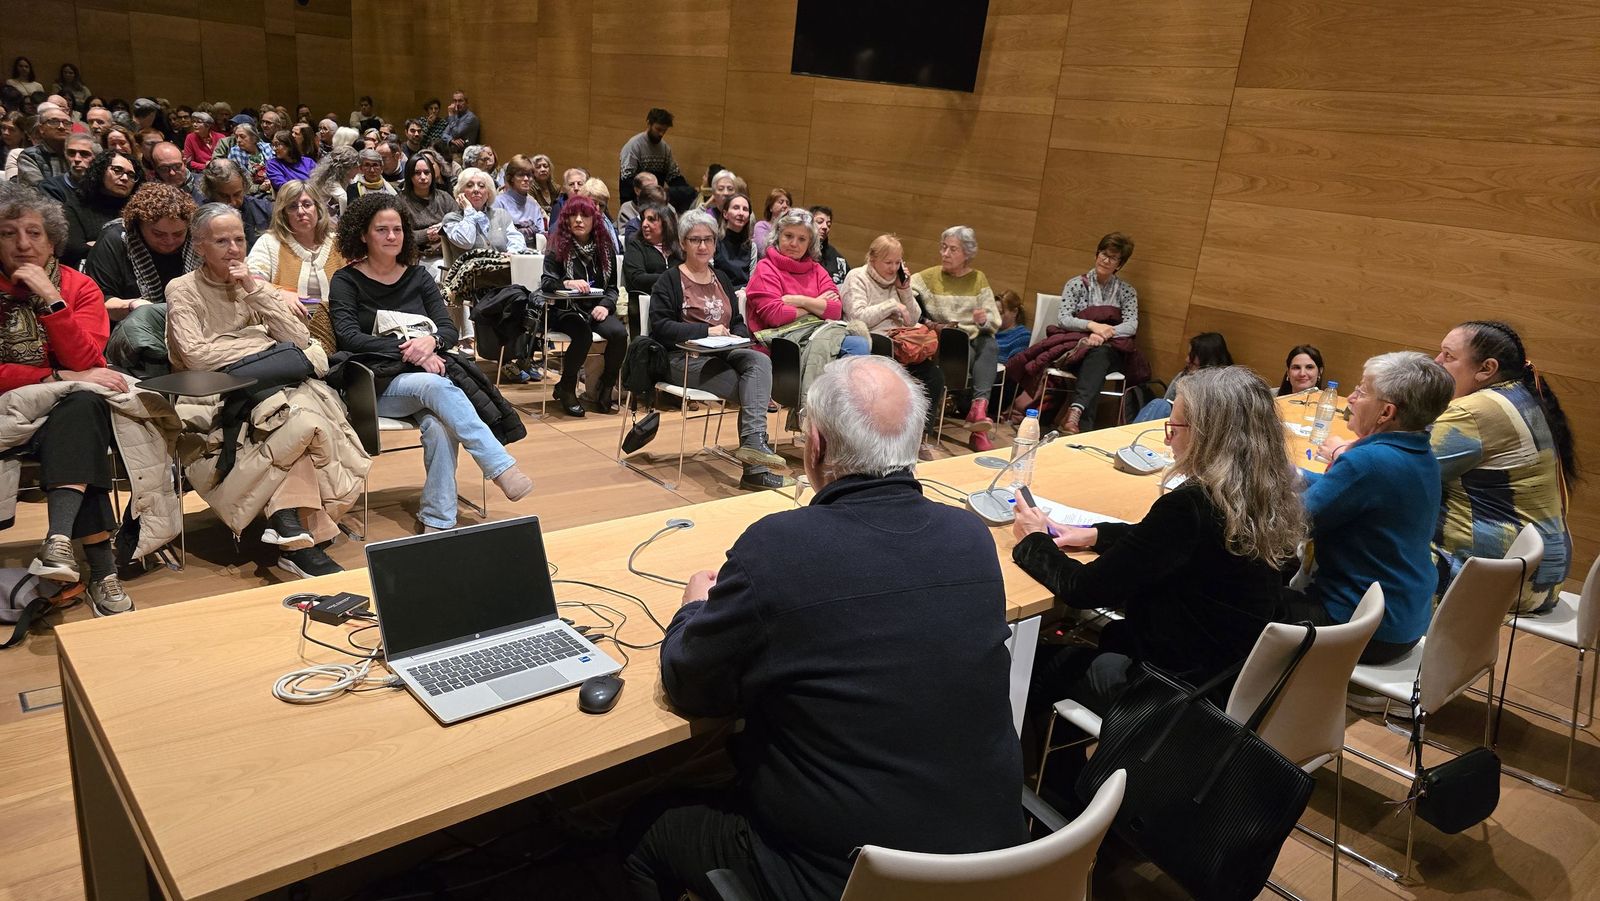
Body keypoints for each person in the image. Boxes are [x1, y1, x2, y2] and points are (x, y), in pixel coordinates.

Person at [623, 355, 1025, 901]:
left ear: (814, 445)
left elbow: (690, 685)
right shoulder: (971, 536)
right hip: (994, 866)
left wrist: (693, 607)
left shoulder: (779, 548)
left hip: (840, 879)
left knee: (643, 829)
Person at [1013, 366, 1305, 716]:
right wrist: (1095, 534)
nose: (1168, 439)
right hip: (1225, 678)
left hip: (1171, 694)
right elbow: (1164, 546)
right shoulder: (1265, 493)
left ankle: (1065, 771)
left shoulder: (1191, 505)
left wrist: (1033, 540)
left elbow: (1083, 589)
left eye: (1175, 426)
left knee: (1025, 662)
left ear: (1207, 435)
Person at [165, 203, 370, 579]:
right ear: (199, 246)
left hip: (276, 384)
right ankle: (299, 536)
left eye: (239, 239)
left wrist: (254, 292)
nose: (233, 248)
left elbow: (299, 339)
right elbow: (195, 356)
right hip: (216, 393)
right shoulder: (182, 289)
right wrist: (260, 346)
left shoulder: (255, 285)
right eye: (221, 240)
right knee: (296, 420)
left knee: (300, 415)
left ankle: (289, 527)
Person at [329, 193, 532, 532]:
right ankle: (498, 465)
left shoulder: (419, 278)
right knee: (437, 385)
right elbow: (349, 337)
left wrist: (432, 342)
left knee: (439, 426)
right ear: (362, 235)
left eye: (398, 229)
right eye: (382, 230)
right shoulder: (346, 280)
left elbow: (448, 329)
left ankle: (438, 519)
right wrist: (409, 349)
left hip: (423, 377)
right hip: (374, 382)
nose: (392, 237)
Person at [0, 182, 132, 615]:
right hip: (10, 411)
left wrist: (51, 299)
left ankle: (59, 544)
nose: (23, 244)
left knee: (83, 407)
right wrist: (57, 374)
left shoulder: (79, 288)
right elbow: (78, 370)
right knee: (83, 415)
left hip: (64, 412)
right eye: (8, 232)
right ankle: (102, 569)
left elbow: (91, 359)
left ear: (53, 240)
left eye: (34, 233)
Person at [1283, 352, 1455, 669]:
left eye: (1362, 391)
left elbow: (1291, 524)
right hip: (1403, 618)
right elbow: (1347, 492)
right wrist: (1293, 474)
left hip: (1362, 629)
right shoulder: (1419, 452)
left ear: (1386, 412)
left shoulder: (1369, 463)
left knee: (1230, 598)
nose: (1353, 398)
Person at [1429, 321, 1576, 613]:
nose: (1436, 362)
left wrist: (1345, 448)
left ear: (1486, 369)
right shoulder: (1519, 394)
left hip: (1499, 578)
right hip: (1538, 571)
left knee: (1367, 540)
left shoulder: (1475, 411)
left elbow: (1400, 471)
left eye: (1448, 355)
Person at [644, 209, 785, 491]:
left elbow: (736, 321)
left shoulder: (719, 276)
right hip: (684, 357)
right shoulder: (669, 280)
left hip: (725, 351)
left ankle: (754, 446)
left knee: (759, 361)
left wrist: (738, 336)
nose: (702, 246)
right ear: (683, 243)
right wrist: (706, 331)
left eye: (708, 239)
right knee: (749, 388)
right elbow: (660, 327)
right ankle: (755, 465)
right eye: (695, 239)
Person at [841, 233, 942, 458]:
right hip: (873, 343)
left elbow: (913, 318)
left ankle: (917, 439)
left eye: (898, 263)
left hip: (902, 345)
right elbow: (858, 316)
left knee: (934, 378)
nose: (893, 267)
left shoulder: (898, 282)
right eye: (888, 262)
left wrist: (905, 290)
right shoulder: (856, 277)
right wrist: (890, 305)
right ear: (873, 258)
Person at [909, 225, 1001, 449]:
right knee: (967, 345)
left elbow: (993, 320)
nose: (945, 254)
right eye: (943, 248)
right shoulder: (930, 277)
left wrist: (982, 321)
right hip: (949, 342)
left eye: (953, 250)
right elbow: (905, 291)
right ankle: (977, 421)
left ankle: (978, 410)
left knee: (989, 344)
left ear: (967, 254)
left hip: (975, 339)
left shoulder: (978, 279)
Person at [540, 196, 626, 416]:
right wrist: (567, 282)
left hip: (595, 308)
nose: (578, 220)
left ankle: (605, 388)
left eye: (585, 216)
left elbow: (613, 289)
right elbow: (547, 283)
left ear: (593, 220)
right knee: (583, 334)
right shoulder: (557, 245)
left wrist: (606, 306)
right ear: (566, 219)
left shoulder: (604, 248)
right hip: (564, 309)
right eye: (573, 215)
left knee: (618, 333)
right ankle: (567, 387)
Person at [745, 208, 866, 356]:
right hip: (779, 344)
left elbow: (834, 310)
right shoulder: (765, 268)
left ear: (810, 243)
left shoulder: (816, 269)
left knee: (859, 343)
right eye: (788, 236)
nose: (794, 244)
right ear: (777, 236)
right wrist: (817, 304)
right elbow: (776, 316)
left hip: (815, 335)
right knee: (855, 346)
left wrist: (799, 301)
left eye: (802, 239)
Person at [245, 180, 345, 349]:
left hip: (339, 328)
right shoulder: (270, 242)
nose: (301, 211)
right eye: (292, 207)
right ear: (283, 214)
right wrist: (279, 292)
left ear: (318, 209)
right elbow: (252, 282)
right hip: (287, 334)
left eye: (307, 204)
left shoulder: (339, 243)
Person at [1054, 232, 1138, 435]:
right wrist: (1092, 326)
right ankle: (1082, 423)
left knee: (1099, 355)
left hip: (1110, 349)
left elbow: (1131, 325)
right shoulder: (1075, 284)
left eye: (1113, 257)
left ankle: (1074, 414)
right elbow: (1064, 318)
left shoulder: (1127, 291)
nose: (1106, 260)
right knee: (1096, 361)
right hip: (1077, 347)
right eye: (1103, 254)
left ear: (1119, 264)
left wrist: (1104, 334)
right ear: (1097, 254)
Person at [84, 181, 198, 320]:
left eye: (178, 234)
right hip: (131, 326)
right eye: (158, 234)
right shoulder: (115, 240)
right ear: (138, 225)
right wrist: (133, 305)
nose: (169, 241)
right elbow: (98, 302)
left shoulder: (196, 238)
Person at [1130, 331, 1233, 423]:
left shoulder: (1223, 386)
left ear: (1208, 358)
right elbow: (1167, 401)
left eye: (1192, 355)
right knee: (1160, 405)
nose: (1187, 359)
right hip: (1172, 422)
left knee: (1159, 405)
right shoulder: (1184, 375)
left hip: (1195, 427)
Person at [60, 148, 139, 267]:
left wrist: (96, 245)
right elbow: (73, 249)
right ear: (100, 172)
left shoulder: (138, 208)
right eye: (117, 170)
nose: (125, 178)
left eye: (131, 174)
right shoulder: (75, 206)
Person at [621, 202, 680, 331]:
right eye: (643, 219)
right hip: (645, 302)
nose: (644, 224)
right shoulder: (636, 246)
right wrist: (672, 278)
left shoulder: (678, 250)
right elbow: (637, 278)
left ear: (666, 223)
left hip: (677, 301)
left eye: (651, 220)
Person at [441, 166, 526, 256]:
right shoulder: (451, 218)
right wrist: (469, 210)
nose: (476, 190)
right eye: (470, 185)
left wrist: (512, 252)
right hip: (470, 269)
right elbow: (466, 242)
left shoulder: (501, 214)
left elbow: (517, 239)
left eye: (481, 186)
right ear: (460, 193)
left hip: (503, 267)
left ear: (488, 193)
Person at [398, 150, 457, 266]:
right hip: (416, 256)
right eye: (417, 173)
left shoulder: (444, 197)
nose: (423, 177)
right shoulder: (400, 202)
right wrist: (427, 234)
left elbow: (460, 223)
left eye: (426, 172)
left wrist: (444, 229)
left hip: (447, 250)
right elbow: (399, 235)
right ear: (409, 176)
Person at [197, 157, 272, 247]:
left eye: (237, 194)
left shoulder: (265, 210)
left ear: (244, 186)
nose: (232, 202)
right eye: (224, 196)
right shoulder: (201, 220)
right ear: (210, 192)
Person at [617, 108, 681, 204]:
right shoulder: (633, 146)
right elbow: (627, 181)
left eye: (664, 131)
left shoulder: (665, 149)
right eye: (658, 129)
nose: (661, 134)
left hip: (655, 203)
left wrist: (688, 191)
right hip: (634, 202)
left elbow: (674, 177)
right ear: (649, 124)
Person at [493, 154, 546, 245]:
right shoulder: (498, 203)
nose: (526, 179)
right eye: (521, 175)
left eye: (529, 175)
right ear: (511, 178)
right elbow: (496, 239)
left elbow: (541, 236)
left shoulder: (533, 204)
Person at [15, 101, 71, 186]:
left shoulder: (77, 154)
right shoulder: (29, 156)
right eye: (54, 122)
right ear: (41, 129)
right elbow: (37, 191)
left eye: (66, 123)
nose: (61, 127)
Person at [35, 132, 96, 204]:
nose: (76, 159)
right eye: (71, 153)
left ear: (96, 156)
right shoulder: (50, 187)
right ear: (65, 155)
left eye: (84, 154)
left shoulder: (104, 187)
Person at [712, 191, 757, 289]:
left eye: (745, 209)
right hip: (719, 293)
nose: (741, 213)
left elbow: (752, 280)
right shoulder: (714, 241)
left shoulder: (752, 246)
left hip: (743, 296)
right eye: (736, 208)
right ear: (725, 214)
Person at [306, 145, 359, 222]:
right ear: (348, 168)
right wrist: (344, 221)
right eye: (356, 167)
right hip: (320, 218)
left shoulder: (329, 177)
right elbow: (342, 196)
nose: (358, 170)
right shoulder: (331, 183)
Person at [226, 122, 272, 197]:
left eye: (242, 136)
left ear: (254, 138)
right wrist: (259, 188)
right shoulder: (234, 153)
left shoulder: (267, 148)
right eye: (236, 137)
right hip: (251, 194)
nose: (238, 140)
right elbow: (239, 182)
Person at [808, 205, 847, 285]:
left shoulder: (836, 256)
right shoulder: (798, 250)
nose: (825, 227)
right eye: (819, 222)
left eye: (828, 224)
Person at [994, 289, 1030, 363]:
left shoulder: (1022, 337)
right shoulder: (989, 331)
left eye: (1000, 313)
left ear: (1014, 312)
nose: (995, 317)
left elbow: (1014, 367)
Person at [443, 91, 480, 157]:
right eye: (455, 101)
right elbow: (444, 134)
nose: (457, 104)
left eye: (460, 101)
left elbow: (456, 134)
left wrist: (451, 115)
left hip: (465, 154)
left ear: (467, 103)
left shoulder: (471, 118)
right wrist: (451, 140)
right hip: (451, 152)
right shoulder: (455, 116)